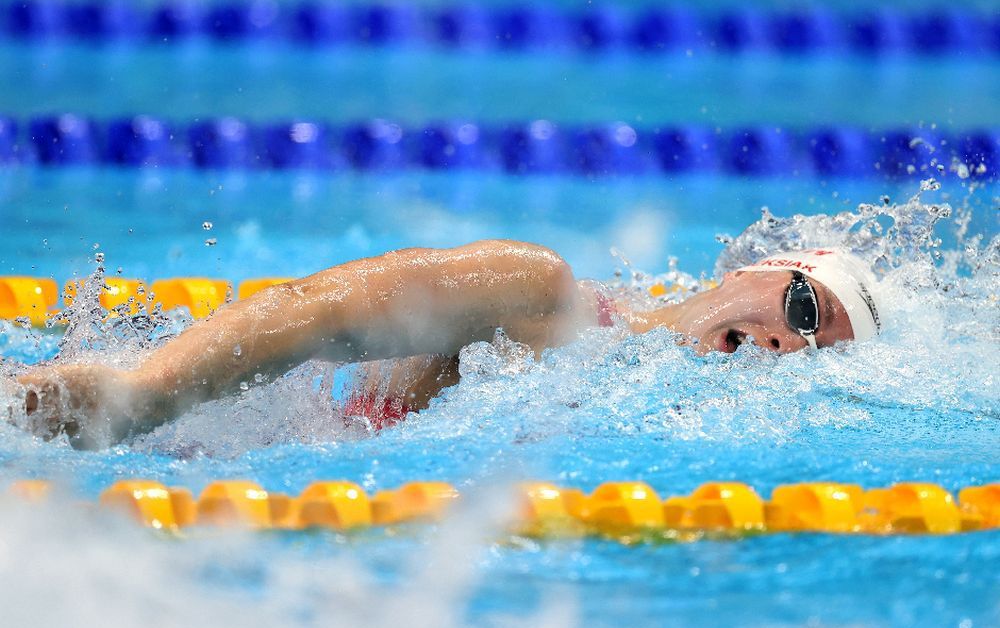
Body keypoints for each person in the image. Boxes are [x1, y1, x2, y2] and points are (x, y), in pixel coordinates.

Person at [12, 239, 881, 449]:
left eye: (822, 350)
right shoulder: (539, 293)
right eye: (806, 306)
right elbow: (307, 314)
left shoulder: (653, 427)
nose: (792, 344)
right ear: (756, 268)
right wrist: (145, 392)